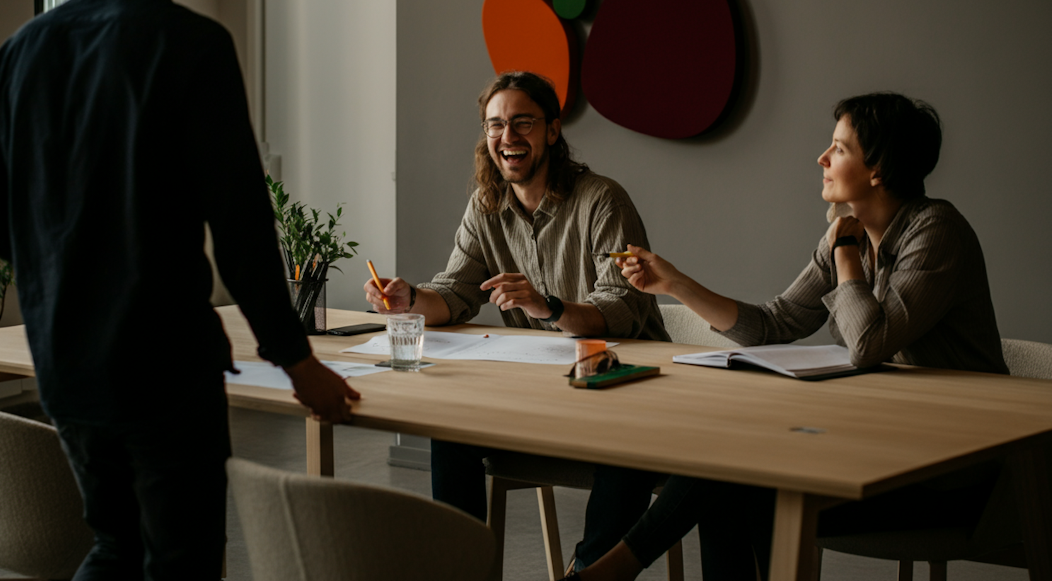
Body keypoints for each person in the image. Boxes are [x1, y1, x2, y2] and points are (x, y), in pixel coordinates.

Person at [0, 0, 360, 578]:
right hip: (165, 362)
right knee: (183, 559)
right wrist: (296, 359)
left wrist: (68, 275)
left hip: (66, 359)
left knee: (115, 545)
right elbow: (240, 223)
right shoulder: (193, 44)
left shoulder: (22, 49)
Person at [563, 92, 1007, 581]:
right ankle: (615, 569)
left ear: (878, 169)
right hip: (879, 441)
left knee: (738, 480)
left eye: (838, 148)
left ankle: (613, 569)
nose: (822, 157)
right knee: (734, 471)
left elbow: (869, 345)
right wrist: (673, 283)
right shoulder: (846, 234)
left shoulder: (934, 231)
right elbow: (772, 323)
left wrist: (845, 257)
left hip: (949, 473)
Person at [364, 71, 671, 571]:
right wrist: (409, 300)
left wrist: (547, 306)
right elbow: (456, 291)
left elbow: (620, 309)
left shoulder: (602, 200)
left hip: (621, 387)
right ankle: (462, 567)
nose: (507, 137)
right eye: (495, 125)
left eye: (521, 123)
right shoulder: (486, 205)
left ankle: (588, 571)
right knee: (452, 429)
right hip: (539, 390)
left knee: (627, 450)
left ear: (552, 130)